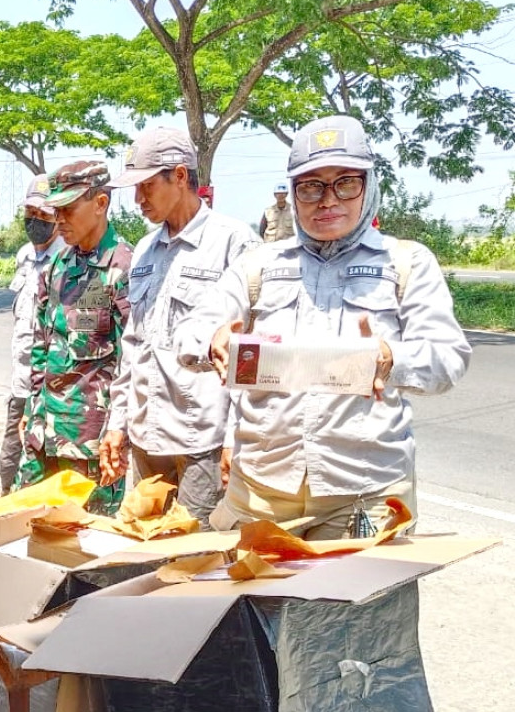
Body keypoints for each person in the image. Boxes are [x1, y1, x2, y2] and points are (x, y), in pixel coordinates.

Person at [179, 115, 471, 539]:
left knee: (358, 606)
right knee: (249, 603)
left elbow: (449, 358)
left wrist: (391, 359)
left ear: (368, 187)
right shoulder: (259, 265)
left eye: (345, 183)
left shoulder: (406, 263)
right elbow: (190, 330)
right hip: (261, 492)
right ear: (294, 194)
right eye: (311, 186)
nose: (327, 200)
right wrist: (213, 342)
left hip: (364, 490)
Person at [99, 128, 259, 526]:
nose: (138, 200)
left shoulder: (234, 244)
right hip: (146, 435)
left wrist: (235, 437)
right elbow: (133, 347)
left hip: (200, 439)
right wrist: (117, 423)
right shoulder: (146, 251)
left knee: (193, 558)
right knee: (143, 550)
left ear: (181, 177)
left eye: (147, 186)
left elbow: (249, 354)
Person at [17, 160, 133, 513]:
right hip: (42, 435)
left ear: (100, 204)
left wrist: (119, 431)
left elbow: (133, 361)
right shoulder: (58, 267)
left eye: (68, 209)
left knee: (84, 547)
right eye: (57, 210)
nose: (59, 219)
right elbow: (42, 344)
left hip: (88, 444)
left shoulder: (124, 268)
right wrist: (30, 408)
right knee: (24, 529)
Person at [0, 174, 64, 492]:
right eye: (30, 213)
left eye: (43, 215)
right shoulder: (25, 255)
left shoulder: (67, 260)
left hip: (48, 390)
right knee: (8, 462)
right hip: (20, 384)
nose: (35, 221)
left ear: (58, 216)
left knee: (40, 471)